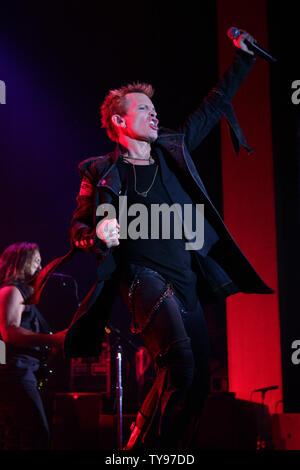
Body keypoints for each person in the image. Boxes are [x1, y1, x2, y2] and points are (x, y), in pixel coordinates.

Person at [35, 30, 273, 450]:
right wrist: (95, 235)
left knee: (196, 382)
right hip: (139, 277)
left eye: (155, 108)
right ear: (119, 121)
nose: (154, 115)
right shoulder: (98, 171)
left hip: (185, 280)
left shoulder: (172, 151)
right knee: (179, 364)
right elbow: (78, 227)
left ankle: (160, 449)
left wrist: (243, 59)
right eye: (143, 109)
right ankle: (147, 453)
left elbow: (213, 104)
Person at [0, 242, 67, 450]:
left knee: (17, 437)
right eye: (36, 261)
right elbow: (9, 332)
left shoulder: (25, 296)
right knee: (36, 435)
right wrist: (54, 339)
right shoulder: (11, 291)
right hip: (15, 372)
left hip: (24, 371)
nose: (41, 267)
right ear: (21, 262)